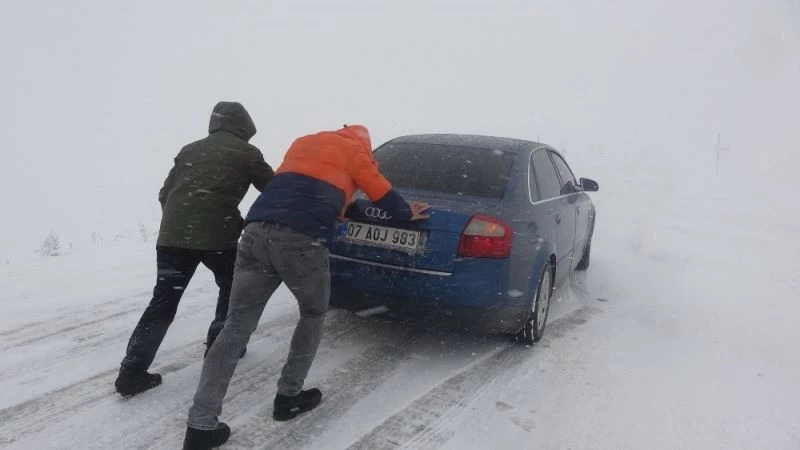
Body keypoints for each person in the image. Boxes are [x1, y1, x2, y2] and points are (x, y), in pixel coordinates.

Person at [181, 124, 430, 449]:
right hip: (300, 241)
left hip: (255, 233)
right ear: (365, 147)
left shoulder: (304, 143)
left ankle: (200, 426)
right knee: (312, 313)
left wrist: (344, 207)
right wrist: (406, 213)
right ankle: (289, 396)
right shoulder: (356, 153)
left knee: (235, 327)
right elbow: (388, 201)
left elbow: (319, 193)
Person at [115, 102, 274, 397]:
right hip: (218, 237)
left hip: (172, 238)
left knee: (163, 302)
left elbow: (165, 194)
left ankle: (131, 373)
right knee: (231, 287)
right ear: (245, 127)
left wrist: (181, 222)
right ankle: (218, 348)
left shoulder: (189, 149)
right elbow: (275, 189)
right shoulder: (247, 153)